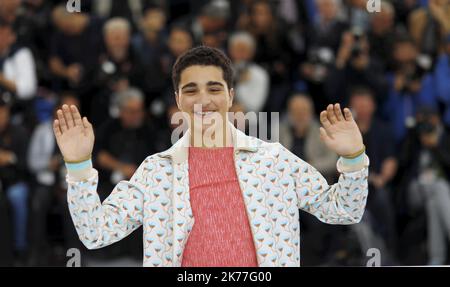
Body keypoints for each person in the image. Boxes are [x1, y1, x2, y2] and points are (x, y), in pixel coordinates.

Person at [53, 46, 369, 267]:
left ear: (231, 95)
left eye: (214, 88)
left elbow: (343, 209)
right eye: (191, 90)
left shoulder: (273, 161)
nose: (203, 99)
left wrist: (354, 158)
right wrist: (79, 167)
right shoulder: (157, 171)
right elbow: (96, 233)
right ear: (177, 99)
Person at [399, 107, 450, 265]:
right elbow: (402, 161)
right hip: (416, 191)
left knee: (434, 200)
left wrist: (436, 147)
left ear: (436, 120)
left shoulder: (446, 137)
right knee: (439, 188)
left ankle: (436, 258)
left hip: (438, 193)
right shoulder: (414, 138)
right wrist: (414, 135)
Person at [0, 96, 29, 265]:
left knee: (17, 197)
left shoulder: (19, 132)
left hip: (15, 180)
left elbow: (27, 164)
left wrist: (9, 158)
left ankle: (20, 247)